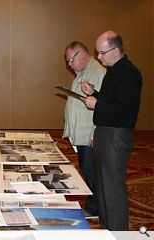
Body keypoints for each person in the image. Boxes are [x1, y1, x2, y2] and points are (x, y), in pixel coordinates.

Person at [81, 31, 142, 230]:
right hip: (105, 133)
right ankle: (108, 230)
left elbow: (126, 114)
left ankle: (118, 233)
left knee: (113, 190)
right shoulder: (114, 71)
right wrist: (94, 94)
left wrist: (97, 105)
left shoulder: (129, 73)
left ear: (115, 50)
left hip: (115, 135)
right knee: (104, 187)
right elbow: (113, 103)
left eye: (102, 52)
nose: (98, 57)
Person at [63, 41, 106, 217]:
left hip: (89, 134)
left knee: (91, 171)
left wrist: (95, 133)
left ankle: (95, 208)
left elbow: (103, 106)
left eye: (70, 60)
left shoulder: (98, 73)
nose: (69, 64)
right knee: (87, 170)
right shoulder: (82, 72)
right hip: (80, 134)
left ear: (80, 54)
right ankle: (92, 203)